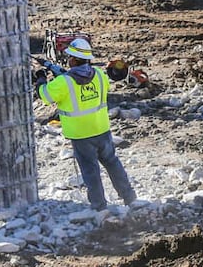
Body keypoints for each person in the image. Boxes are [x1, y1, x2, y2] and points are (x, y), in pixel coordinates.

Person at [35, 38, 137, 212]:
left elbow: (45, 96)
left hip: (81, 135)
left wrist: (41, 79)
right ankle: (130, 198)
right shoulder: (99, 74)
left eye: (70, 57)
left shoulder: (64, 82)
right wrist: (66, 75)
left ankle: (99, 207)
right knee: (113, 163)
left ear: (73, 60)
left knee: (91, 172)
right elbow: (85, 81)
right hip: (102, 129)